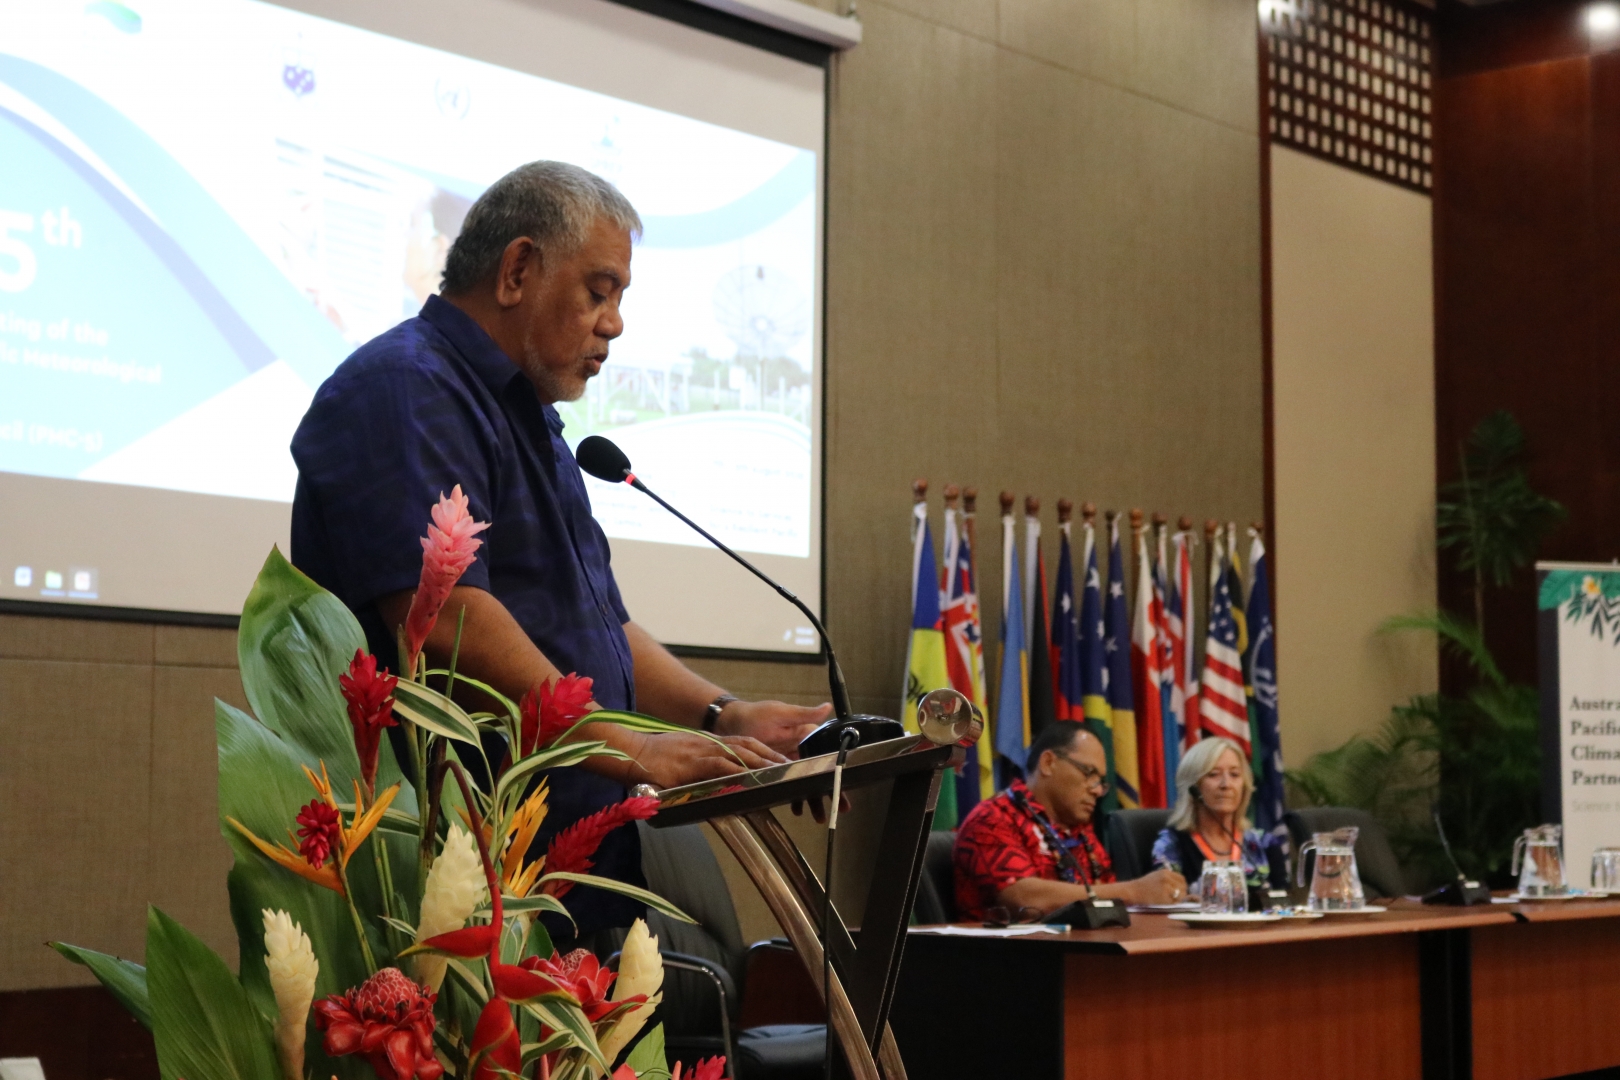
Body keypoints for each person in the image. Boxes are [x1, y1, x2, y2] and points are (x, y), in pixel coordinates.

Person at [290, 161, 833, 936]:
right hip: (455, 888)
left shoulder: (533, 418)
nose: (613, 323)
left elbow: (601, 631)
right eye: (599, 290)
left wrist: (722, 715)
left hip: (571, 873)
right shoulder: (406, 386)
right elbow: (442, 619)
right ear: (517, 271)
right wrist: (620, 743)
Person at [953, 721, 1187, 921]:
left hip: (1079, 958)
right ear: (1048, 763)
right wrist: (1135, 891)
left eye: (1100, 781)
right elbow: (1025, 898)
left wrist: (1169, 902)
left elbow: (1109, 899)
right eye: (1089, 773)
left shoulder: (1079, 832)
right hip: (1005, 962)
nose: (1097, 790)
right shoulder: (992, 819)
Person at [1150, 736, 1288, 895]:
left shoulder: (1265, 844)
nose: (1226, 784)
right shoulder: (1171, 844)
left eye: (1235, 775)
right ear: (1193, 787)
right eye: (1213, 774)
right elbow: (1168, 900)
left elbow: (1284, 905)